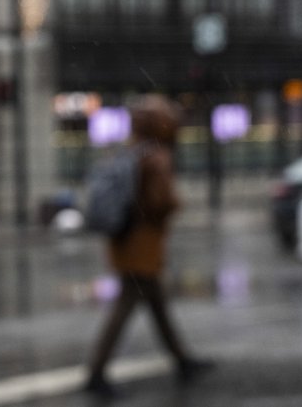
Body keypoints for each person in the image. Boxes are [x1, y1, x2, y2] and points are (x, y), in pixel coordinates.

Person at [83, 95, 213, 397]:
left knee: (156, 304)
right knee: (126, 305)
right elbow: (160, 203)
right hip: (143, 244)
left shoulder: (132, 151)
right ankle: (96, 372)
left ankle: (182, 359)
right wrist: (175, 203)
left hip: (125, 239)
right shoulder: (157, 158)